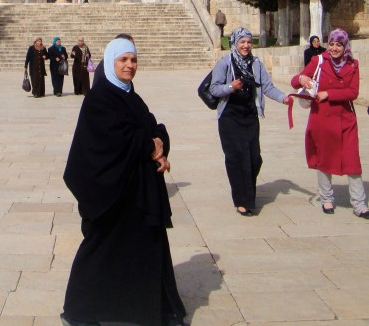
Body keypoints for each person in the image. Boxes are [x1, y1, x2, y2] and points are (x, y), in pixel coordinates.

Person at [61, 38, 186, 326]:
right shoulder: (100, 99)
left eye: (133, 60)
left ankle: (152, 309)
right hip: (113, 194)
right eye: (123, 60)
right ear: (110, 63)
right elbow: (114, 141)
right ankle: (80, 311)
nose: (130, 66)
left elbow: (152, 125)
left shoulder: (131, 95)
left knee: (146, 249)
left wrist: (160, 146)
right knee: (102, 250)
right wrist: (151, 145)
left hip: (139, 193)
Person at [210, 27, 290, 216]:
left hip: (250, 116)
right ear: (235, 44)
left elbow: (268, 87)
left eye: (248, 42)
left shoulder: (256, 64)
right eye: (242, 42)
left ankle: (247, 193)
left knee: (254, 158)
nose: (246, 45)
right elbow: (214, 89)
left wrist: (283, 98)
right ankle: (242, 201)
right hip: (230, 116)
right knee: (236, 158)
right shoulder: (225, 63)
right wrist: (231, 86)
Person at [291, 28, 369, 218]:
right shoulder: (318, 61)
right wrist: (303, 78)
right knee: (325, 159)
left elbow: (353, 92)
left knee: (352, 161)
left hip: (346, 119)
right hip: (322, 119)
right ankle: (326, 198)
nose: (334, 48)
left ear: (345, 46)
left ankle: (359, 204)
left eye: (339, 45)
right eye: (332, 44)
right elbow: (295, 81)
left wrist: (329, 94)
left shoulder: (353, 64)